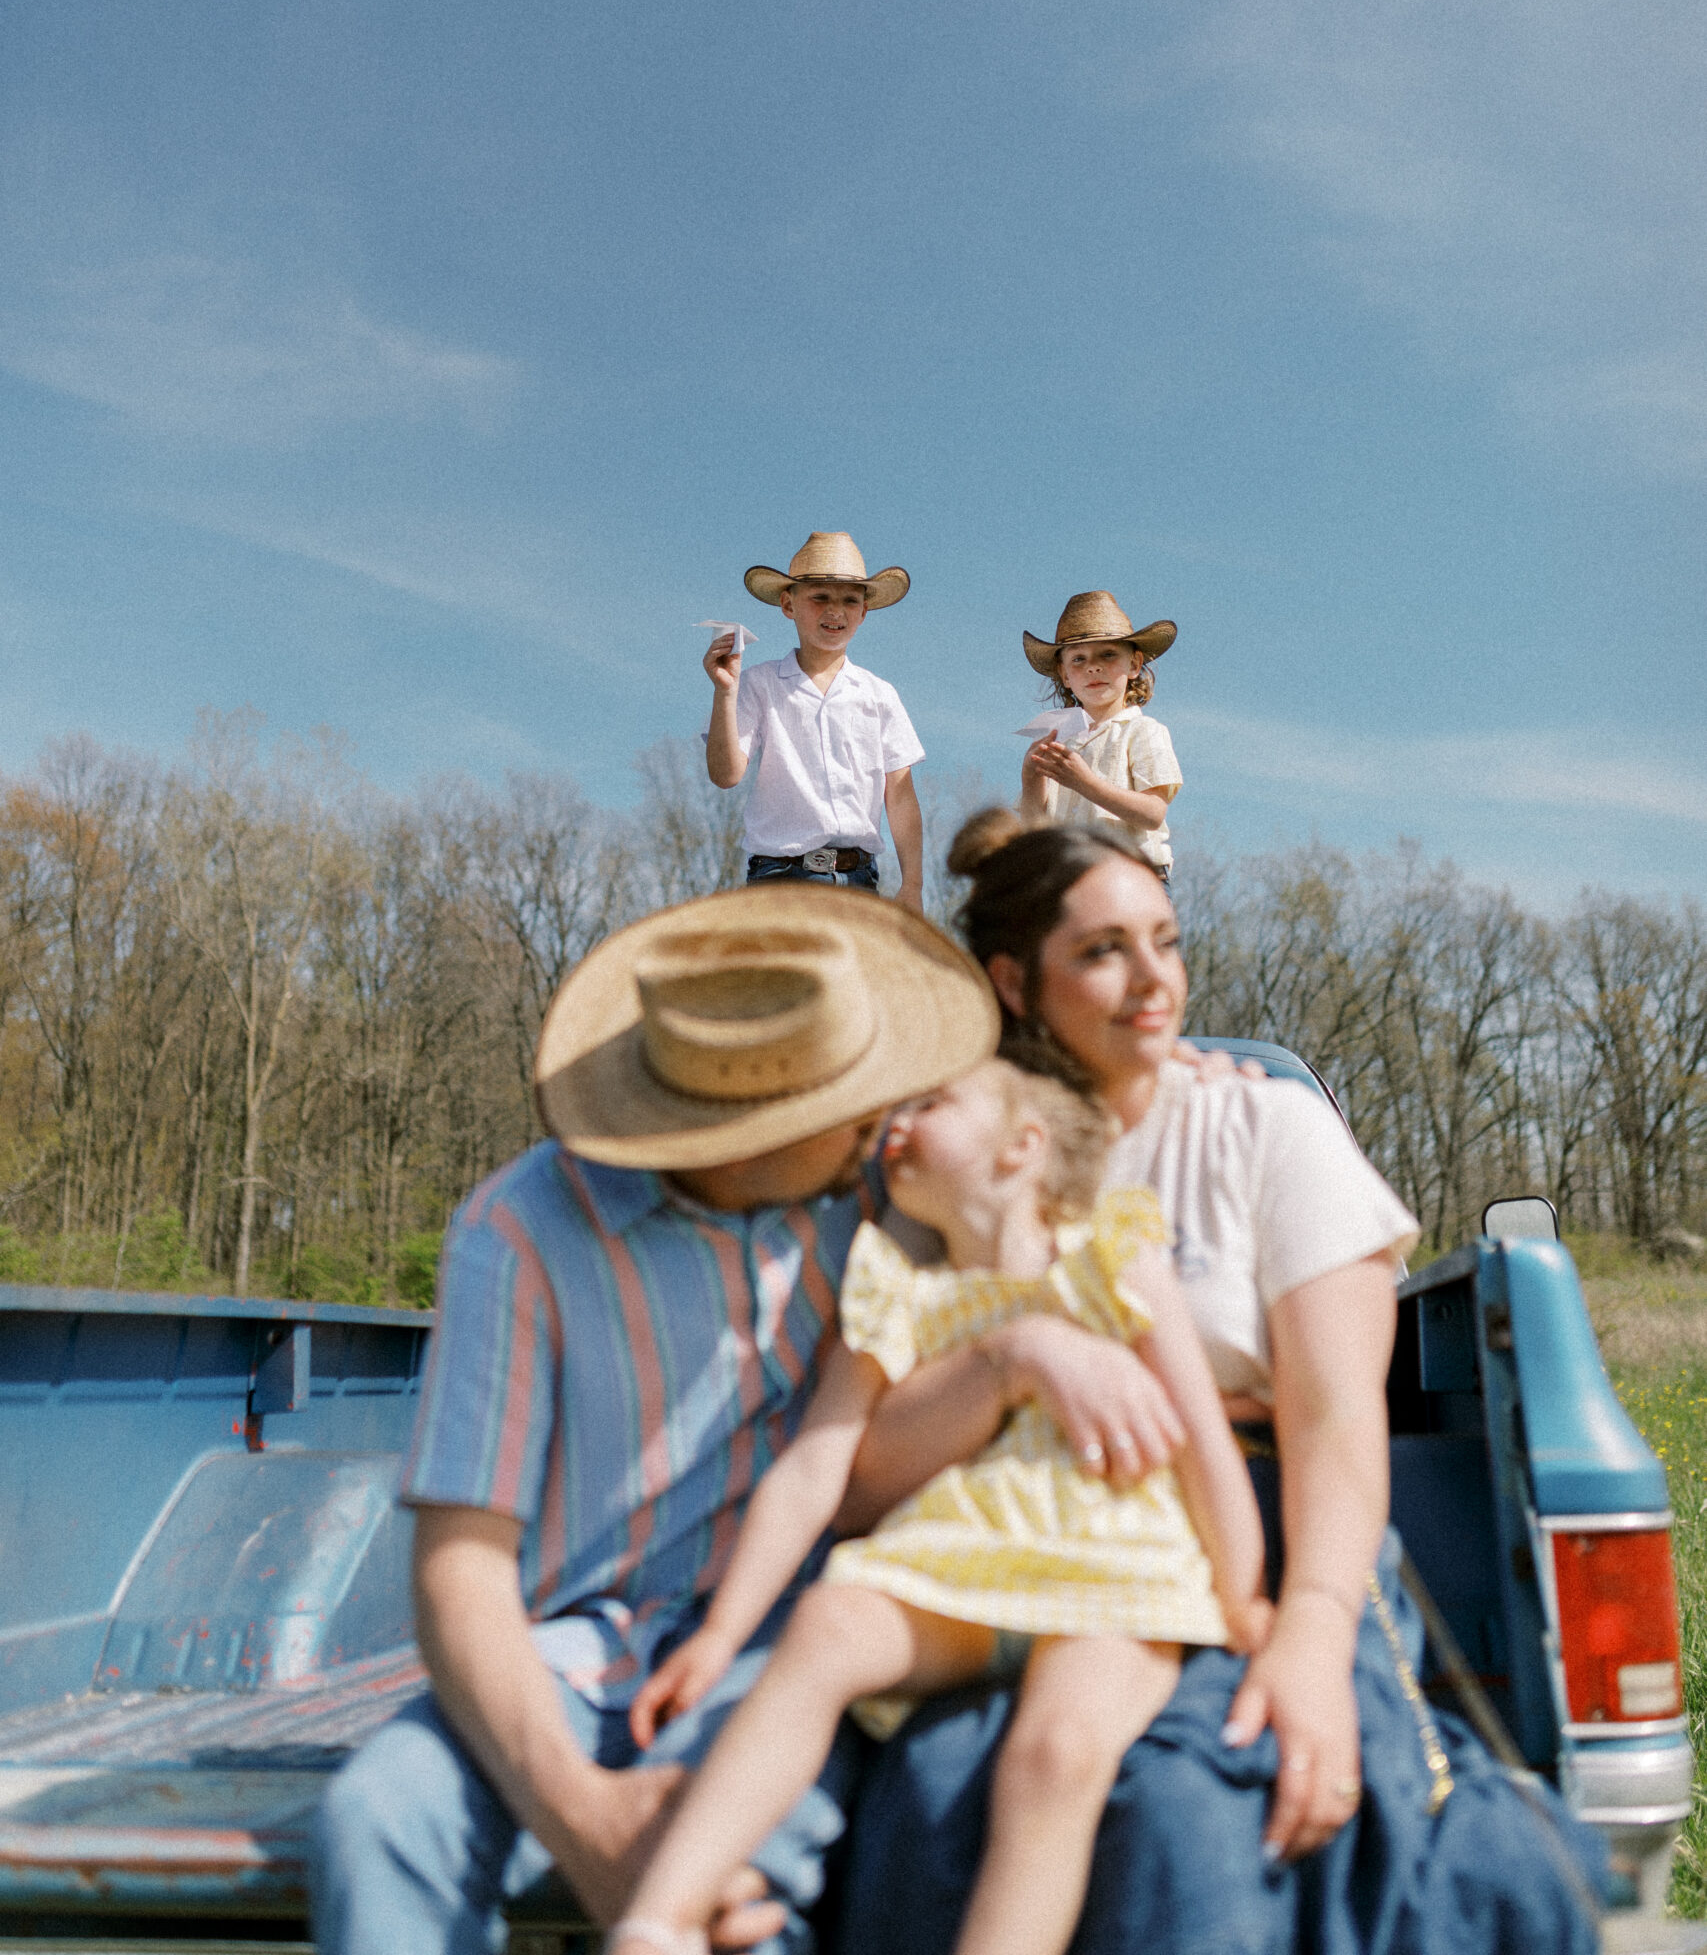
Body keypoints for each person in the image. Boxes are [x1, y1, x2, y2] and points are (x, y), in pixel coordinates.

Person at [835, 812, 1606, 1955]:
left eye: (1166, 940)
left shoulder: (1262, 1126)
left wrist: (1308, 1635)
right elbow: (857, 1472)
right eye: (1101, 952)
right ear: (1015, 981)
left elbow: (1339, 1423)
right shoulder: (967, 1154)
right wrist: (1014, 1357)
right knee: (944, 1791)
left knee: (1193, 1815)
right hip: (1019, 1555)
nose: (1153, 980)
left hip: (1268, 1549)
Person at [309, 883, 1000, 1955]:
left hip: (787, 1655)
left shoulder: (884, 1205)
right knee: (377, 1819)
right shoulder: (522, 1229)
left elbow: (1045, 1164)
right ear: (747, 1135)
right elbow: (461, 1572)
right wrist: (586, 1820)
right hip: (567, 1653)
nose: (886, 1119)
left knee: (734, 1884)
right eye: (856, 1105)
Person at [610, 1059, 1270, 1955]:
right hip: (955, 1563)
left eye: (930, 1104)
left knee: (1058, 1754)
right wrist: (723, 1632)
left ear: (1021, 1147)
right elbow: (815, 1468)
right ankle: (656, 1922)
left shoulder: (1109, 1252)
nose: (897, 1123)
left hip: (1118, 1564)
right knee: (828, 1625)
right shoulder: (897, 1289)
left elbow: (1197, 1431)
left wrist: (1242, 1596)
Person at [703, 530, 924, 909]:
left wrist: (913, 886)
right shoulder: (759, 684)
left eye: (849, 600)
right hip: (779, 881)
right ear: (788, 605)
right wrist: (725, 691)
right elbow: (726, 775)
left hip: (859, 881)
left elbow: (900, 796)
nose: (834, 611)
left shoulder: (879, 694)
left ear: (864, 612)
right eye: (819, 597)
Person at [1017, 592, 1182, 879]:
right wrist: (1031, 776)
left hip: (1134, 880)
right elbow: (1034, 826)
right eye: (1079, 659)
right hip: (1070, 885)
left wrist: (1085, 782)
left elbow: (1153, 813)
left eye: (1108, 654)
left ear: (1134, 664)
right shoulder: (1060, 742)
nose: (1093, 667)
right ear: (1065, 675)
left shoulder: (1143, 730)